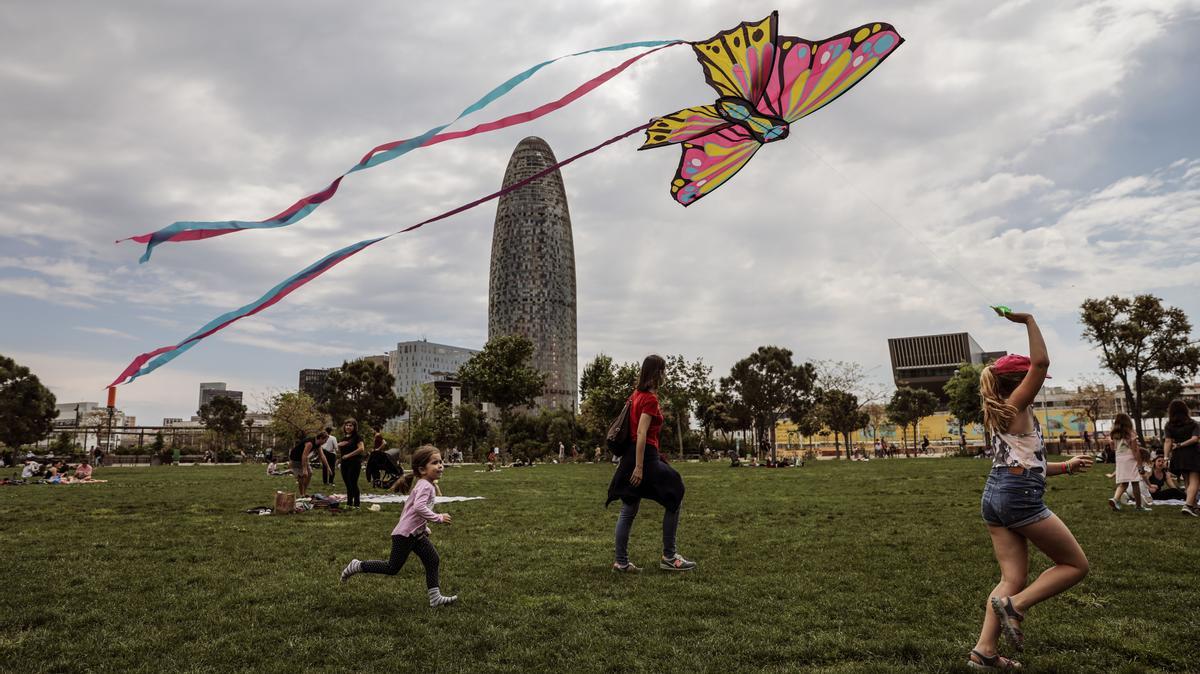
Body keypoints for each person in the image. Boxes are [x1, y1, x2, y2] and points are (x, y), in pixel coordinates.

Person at [969, 311, 1092, 670]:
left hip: (997, 494)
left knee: (1012, 578)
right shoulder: (1015, 405)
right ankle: (1016, 606)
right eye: (1033, 380)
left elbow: (1022, 464)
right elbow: (1041, 361)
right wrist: (1028, 321)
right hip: (1017, 497)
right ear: (1020, 382)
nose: (1038, 383)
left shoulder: (1003, 413)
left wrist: (1064, 467)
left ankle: (984, 653)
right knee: (1074, 565)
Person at [606, 355, 695, 573]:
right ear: (657, 373)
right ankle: (670, 556)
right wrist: (639, 466)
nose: (665, 375)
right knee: (676, 490)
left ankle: (621, 562)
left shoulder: (635, 395)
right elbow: (641, 433)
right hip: (643, 457)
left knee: (629, 507)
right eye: (663, 370)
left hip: (632, 457)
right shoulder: (649, 400)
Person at [339, 445, 458, 607]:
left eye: (441, 462)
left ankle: (435, 597)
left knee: (432, 560)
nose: (440, 465)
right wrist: (438, 518)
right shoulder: (425, 485)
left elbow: (410, 511)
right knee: (392, 567)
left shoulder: (426, 484)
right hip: (405, 535)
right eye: (435, 462)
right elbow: (418, 507)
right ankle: (358, 565)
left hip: (415, 534)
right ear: (422, 469)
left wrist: (423, 527)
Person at [1163, 399, 1200, 517]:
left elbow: (1168, 441)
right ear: (1185, 410)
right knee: (1195, 481)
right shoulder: (1193, 424)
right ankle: (1188, 505)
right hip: (1193, 454)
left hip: (1178, 456)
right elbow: (1195, 439)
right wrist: (1181, 444)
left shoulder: (1169, 425)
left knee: (1187, 482)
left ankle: (1194, 507)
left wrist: (1165, 457)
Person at [1108, 413, 1148, 512]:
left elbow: (1113, 448)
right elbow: (1135, 450)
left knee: (1123, 484)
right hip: (1130, 459)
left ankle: (1115, 499)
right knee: (1135, 483)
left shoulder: (1114, 434)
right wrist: (1139, 464)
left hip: (1120, 459)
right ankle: (1139, 506)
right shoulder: (1131, 433)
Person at [338, 419, 365, 508]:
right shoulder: (344, 438)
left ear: (354, 427)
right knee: (347, 484)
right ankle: (349, 503)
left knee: (353, 482)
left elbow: (361, 449)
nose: (348, 427)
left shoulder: (357, 437)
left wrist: (348, 455)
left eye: (350, 425)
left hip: (354, 463)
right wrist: (338, 445)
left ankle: (357, 504)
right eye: (347, 425)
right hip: (344, 463)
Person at [290, 433, 316, 497]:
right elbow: (303, 455)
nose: (325, 442)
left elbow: (322, 455)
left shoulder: (317, 444)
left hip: (304, 459)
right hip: (296, 459)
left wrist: (328, 467)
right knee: (301, 477)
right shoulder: (310, 443)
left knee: (310, 473)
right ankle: (302, 494)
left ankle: (304, 492)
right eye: (325, 440)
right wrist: (304, 469)